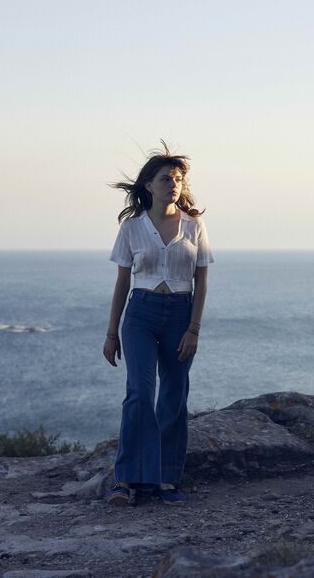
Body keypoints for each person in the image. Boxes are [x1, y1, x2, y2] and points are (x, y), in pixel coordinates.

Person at [102, 141, 213, 506]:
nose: (174, 183)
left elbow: (202, 282)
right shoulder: (132, 228)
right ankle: (127, 480)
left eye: (179, 178)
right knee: (139, 393)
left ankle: (165, 479)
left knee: (174, 395)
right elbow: (122, 282)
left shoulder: (195, 226)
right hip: (140, 314)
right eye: (166, 178)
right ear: (148, 184)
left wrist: (193, 329)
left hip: (180, 314)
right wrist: (111, 333)